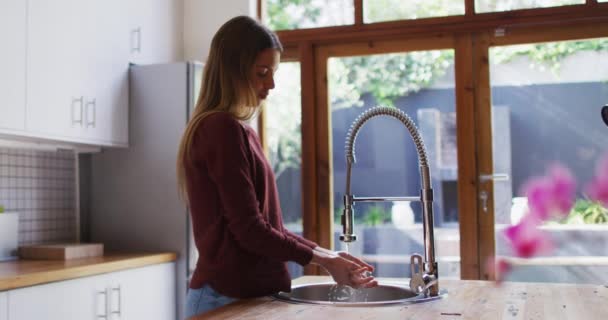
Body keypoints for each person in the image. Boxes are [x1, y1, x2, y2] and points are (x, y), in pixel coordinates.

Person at [176, 16, 377, 318]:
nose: (271, 83)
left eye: (273, 72)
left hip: (245, 298)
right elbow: (250, 230)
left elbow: (271, 228)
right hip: (225, 300)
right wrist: (323, 260)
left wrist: (330, 256)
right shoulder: (220, 129)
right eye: (262, 72)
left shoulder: (240, 131)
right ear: (234, 71)